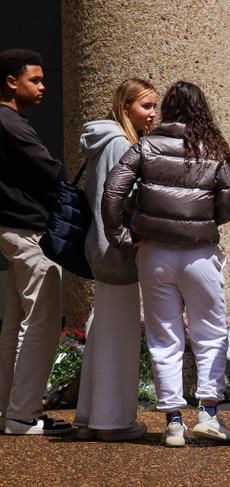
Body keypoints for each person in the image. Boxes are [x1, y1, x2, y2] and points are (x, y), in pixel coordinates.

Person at [102, 81, 230, 447]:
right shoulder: (214, 149)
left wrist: (122, 237)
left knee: (164, 337)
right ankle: (208, 413)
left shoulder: (145, 146)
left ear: (167, 109)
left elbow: (113, 189)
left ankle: (174, 423)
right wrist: (203, 220)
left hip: (155, 253)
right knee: (210, 332)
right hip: (199, 253)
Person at [73, 78, 157, 441]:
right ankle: (112, 421)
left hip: (101, 247)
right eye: (146, 107)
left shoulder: (103, 141)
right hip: (117, 249)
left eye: (154, 106)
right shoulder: (121, 144)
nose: (153, 114)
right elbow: (121, 200)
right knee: (119, 334)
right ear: (126, 108)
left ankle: (91, 417)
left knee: (102, 329)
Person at [0, 48, 71, 435]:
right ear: (12, 82)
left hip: (13, 229)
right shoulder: (11, 123)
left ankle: (8, 412)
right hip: (29, 232)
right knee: (39, 326)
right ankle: (22, 416)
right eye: (36, 80)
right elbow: (52, 172)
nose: (43, 86)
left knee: (14, 326)